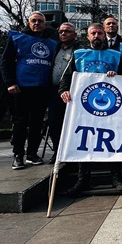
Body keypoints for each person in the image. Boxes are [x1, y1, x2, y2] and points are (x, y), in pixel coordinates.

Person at [59, 23, 122, 194]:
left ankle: (116, 177)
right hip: (85, 108)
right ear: (88, 36)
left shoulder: (115, 55)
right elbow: (67, 77)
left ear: (104, 35)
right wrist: (63, 90)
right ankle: (83, 179)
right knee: (85, 141)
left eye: (99, 33)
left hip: (111, 107)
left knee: (113, 140)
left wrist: (117, 76)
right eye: (93, 33)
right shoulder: (79, 55)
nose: (97, 36)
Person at [1, 11, 58, 170]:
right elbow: (5, 61)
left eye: (40, 21)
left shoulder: (52, 42)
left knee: (37, 123)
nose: (37, 23)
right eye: (34, 20)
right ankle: (18, 155)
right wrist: (10, 82)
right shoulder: (17, 38)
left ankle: (32, 153)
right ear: (29, 22)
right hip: (22, 88)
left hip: (43, 88)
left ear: (44, 24)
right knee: (20, 122)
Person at [47, 23, 80, 163]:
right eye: (61, 31)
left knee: (72, 124)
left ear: (75, 34)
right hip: (55, 91)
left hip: (73, 92)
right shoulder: (55, 48)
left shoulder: (80, 50)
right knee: (54, 122)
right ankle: (57, 152)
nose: (63, 34)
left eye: (67, 31)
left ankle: (72, 153)